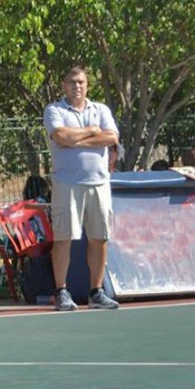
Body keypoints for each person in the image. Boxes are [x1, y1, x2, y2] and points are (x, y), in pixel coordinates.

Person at [43, 64, 121, 311]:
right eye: (72, 82)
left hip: (99, 183)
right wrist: (91, 132)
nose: (77, 86)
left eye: (81, 82)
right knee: (64, 238)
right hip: (67, 184)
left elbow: (111, 138)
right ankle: (62, 292)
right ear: (64, 85)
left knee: (99, 238)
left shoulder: (101, 110)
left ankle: (96, 292)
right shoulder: (54, 110)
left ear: (88, 85)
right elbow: (61, 137)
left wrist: (77, 139)